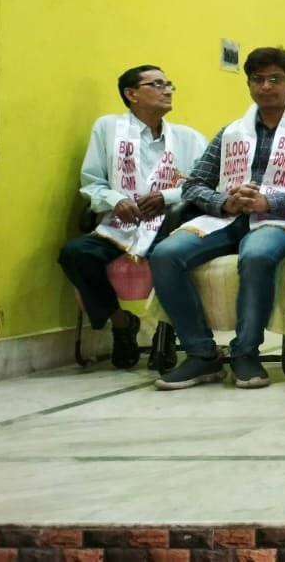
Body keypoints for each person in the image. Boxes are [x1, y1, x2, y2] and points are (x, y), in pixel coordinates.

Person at [148, 47, 285, 390]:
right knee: (164, 254)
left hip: (278, 220)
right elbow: (194, 184)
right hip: (224, 218)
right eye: (257, 79)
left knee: (257, 255)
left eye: (275, 79)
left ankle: (245, 353)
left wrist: (271, 200)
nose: (266, 86)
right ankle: (201, 354)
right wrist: (224, 202)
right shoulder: (230, 132)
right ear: (248, 85)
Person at [58, 66, 206, 369]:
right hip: (120, 224)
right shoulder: (108, 129)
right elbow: (92, 182)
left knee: (169, 256)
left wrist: (167, 197)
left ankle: (166, 333)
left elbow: (203, 186)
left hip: (169, 222)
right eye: (157, 84)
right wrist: (116, 200)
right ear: (131, 94)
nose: (167, 90)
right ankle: (122, 323)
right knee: (75, 253)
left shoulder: (188, 138)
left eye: (169, 84)